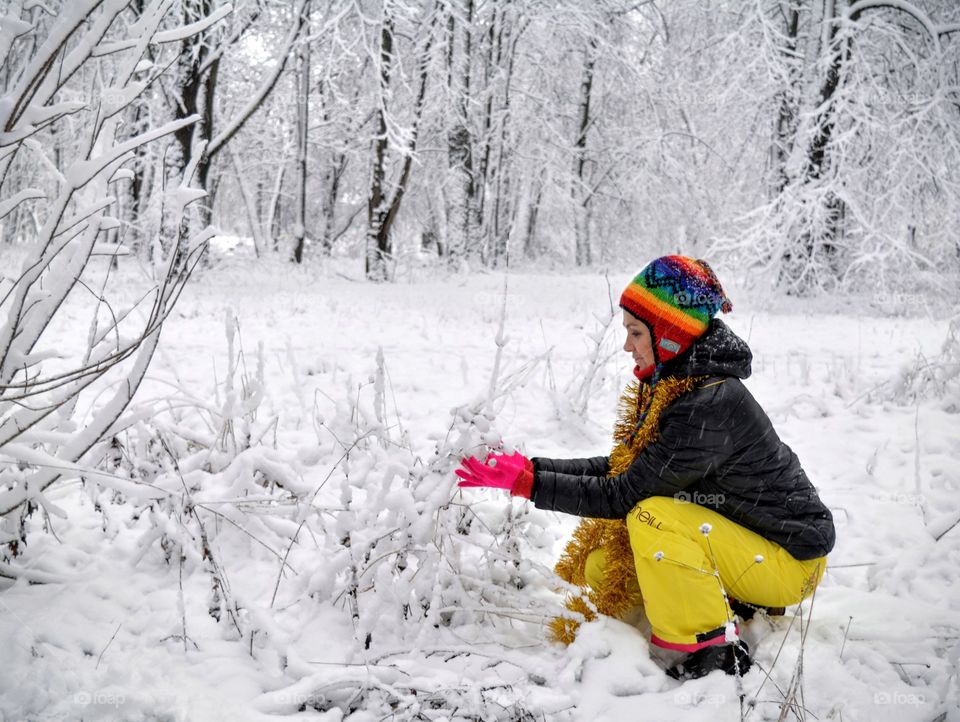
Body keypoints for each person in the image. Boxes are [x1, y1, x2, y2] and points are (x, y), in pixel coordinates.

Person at [456, 255, 835, 680]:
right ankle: (729, 599)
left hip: (789, 565)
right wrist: (533, 468)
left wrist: (531, 484)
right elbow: (622, 467)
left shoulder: (710, 403)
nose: (627, 346)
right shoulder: (682, 384)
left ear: (671, 335)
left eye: (636, 333)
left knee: (650, 516)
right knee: (604, 566)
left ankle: (711, 646)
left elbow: (625, 493)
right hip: (749, 547)